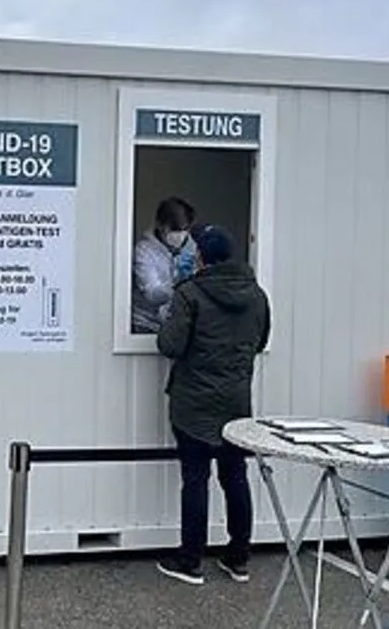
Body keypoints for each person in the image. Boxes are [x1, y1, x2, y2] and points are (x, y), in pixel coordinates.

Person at [155, 223, 271, 586]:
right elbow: (260, 340)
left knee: (195, 479)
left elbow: (170, 345)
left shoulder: (190, 294)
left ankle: (190, 560)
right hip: (235, 401)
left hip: (194, 404)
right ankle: (238, 558)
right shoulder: (257, 295)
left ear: (201, 256)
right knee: (235, 477)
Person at [132, 197, 199, 334]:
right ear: (160, 225)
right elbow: (151, 293)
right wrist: (175, 285)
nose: (180, 235)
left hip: (178, 325)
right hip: (146, 324)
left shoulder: (191, 247)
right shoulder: (144, 251)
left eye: (184, 229)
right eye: (174, 229)